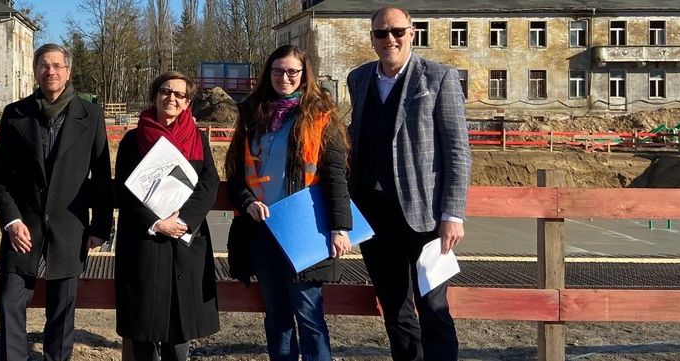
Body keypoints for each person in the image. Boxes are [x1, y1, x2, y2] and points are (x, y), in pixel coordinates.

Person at [346, 6, 471, 361]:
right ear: (372, 38)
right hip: (373, 216)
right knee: (395, 311)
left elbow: (458, 151)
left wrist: (453, 213)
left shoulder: (439, 78)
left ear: (412, 32)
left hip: (424, 217)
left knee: (433, 307)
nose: (390, 39)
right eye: (381, 33)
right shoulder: (359, 79)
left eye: (397, 31)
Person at [224, 44, 352, 361]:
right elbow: (237, 174)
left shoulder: (322, 117)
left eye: (292, 71)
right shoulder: (253, 115)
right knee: (277, 315)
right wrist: (247, 201)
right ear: (269, 74)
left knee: (309, 315)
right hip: (263, 231)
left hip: (305, 229)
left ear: (303, 75)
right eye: (278, 70)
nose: (285, 77)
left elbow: (335, 175)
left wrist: (340, 227)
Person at [0, 43, 113, 361]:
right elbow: (1, 176)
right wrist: (11, 220)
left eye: (58, 65)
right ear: (35, 71)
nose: (51, 71)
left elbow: (101, 176)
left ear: (68, 71)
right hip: (23, 226)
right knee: (9, 301)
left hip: (70, 226)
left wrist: (101, 225)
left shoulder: (91, 115)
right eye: (44, 65)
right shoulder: (15, 114)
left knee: (62, 309)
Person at [114, 71, 220, 361]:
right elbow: (124, 188)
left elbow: (209, 182)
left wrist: (183, 221)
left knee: (179, 330)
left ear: (187, 103)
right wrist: (156, 222)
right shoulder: (133, 140)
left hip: (185, 241)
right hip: (145, 242)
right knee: (144, 329)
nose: (171, 98)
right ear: (154, 96)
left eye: (179, 94)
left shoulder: (197, 139)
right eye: (165, 91)